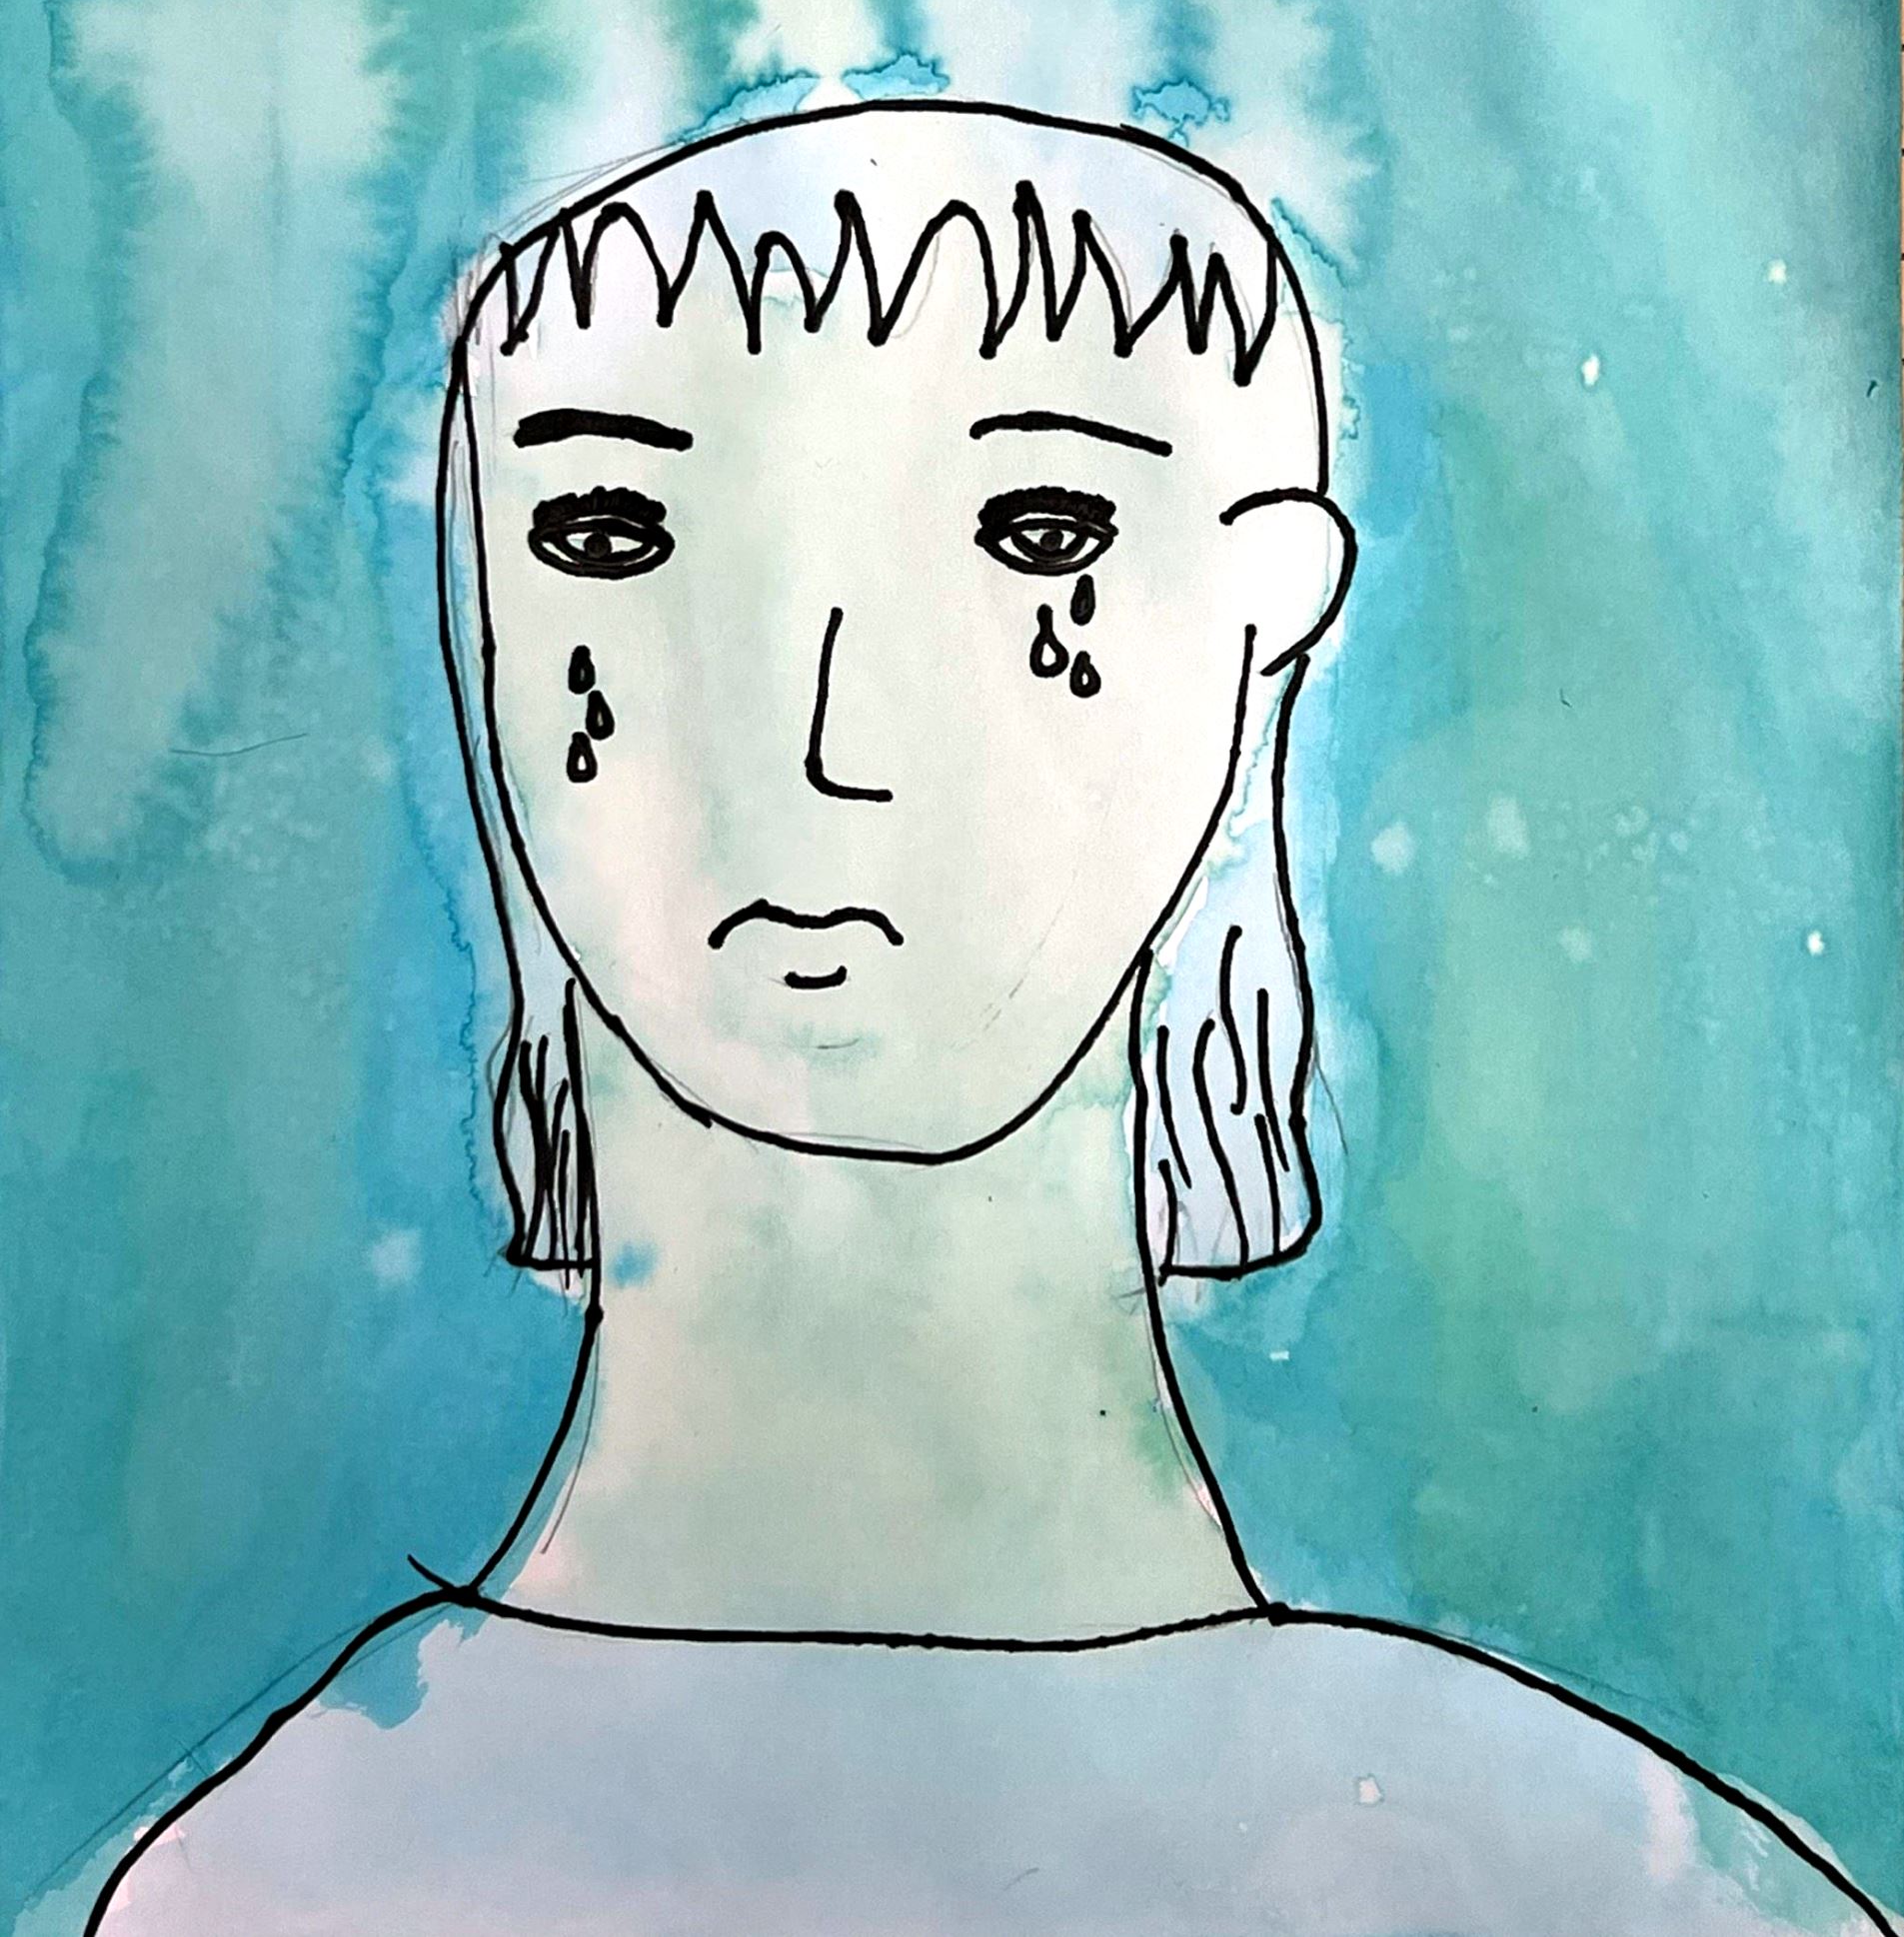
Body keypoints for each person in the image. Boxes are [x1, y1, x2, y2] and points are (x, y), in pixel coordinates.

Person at [92, 101, 1887, 1934]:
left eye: (1037, 534)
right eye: (613, 533)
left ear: (1265, 610)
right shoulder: (268, 1882)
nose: (815, 736)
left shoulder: (1584, 1876)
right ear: (481, 611)